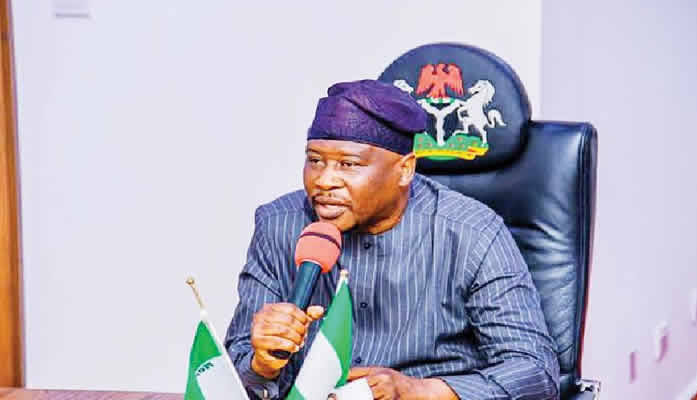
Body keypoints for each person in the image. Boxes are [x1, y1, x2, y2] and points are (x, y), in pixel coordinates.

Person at [225, 80, 559, 399]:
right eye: (315, 161)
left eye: (348, 164)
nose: (324, 180)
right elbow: (230, 373)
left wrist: (420, 391)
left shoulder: (472, 232)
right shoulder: (278, 224)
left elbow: (534, 372)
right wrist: (262, 365)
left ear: (405, 170)